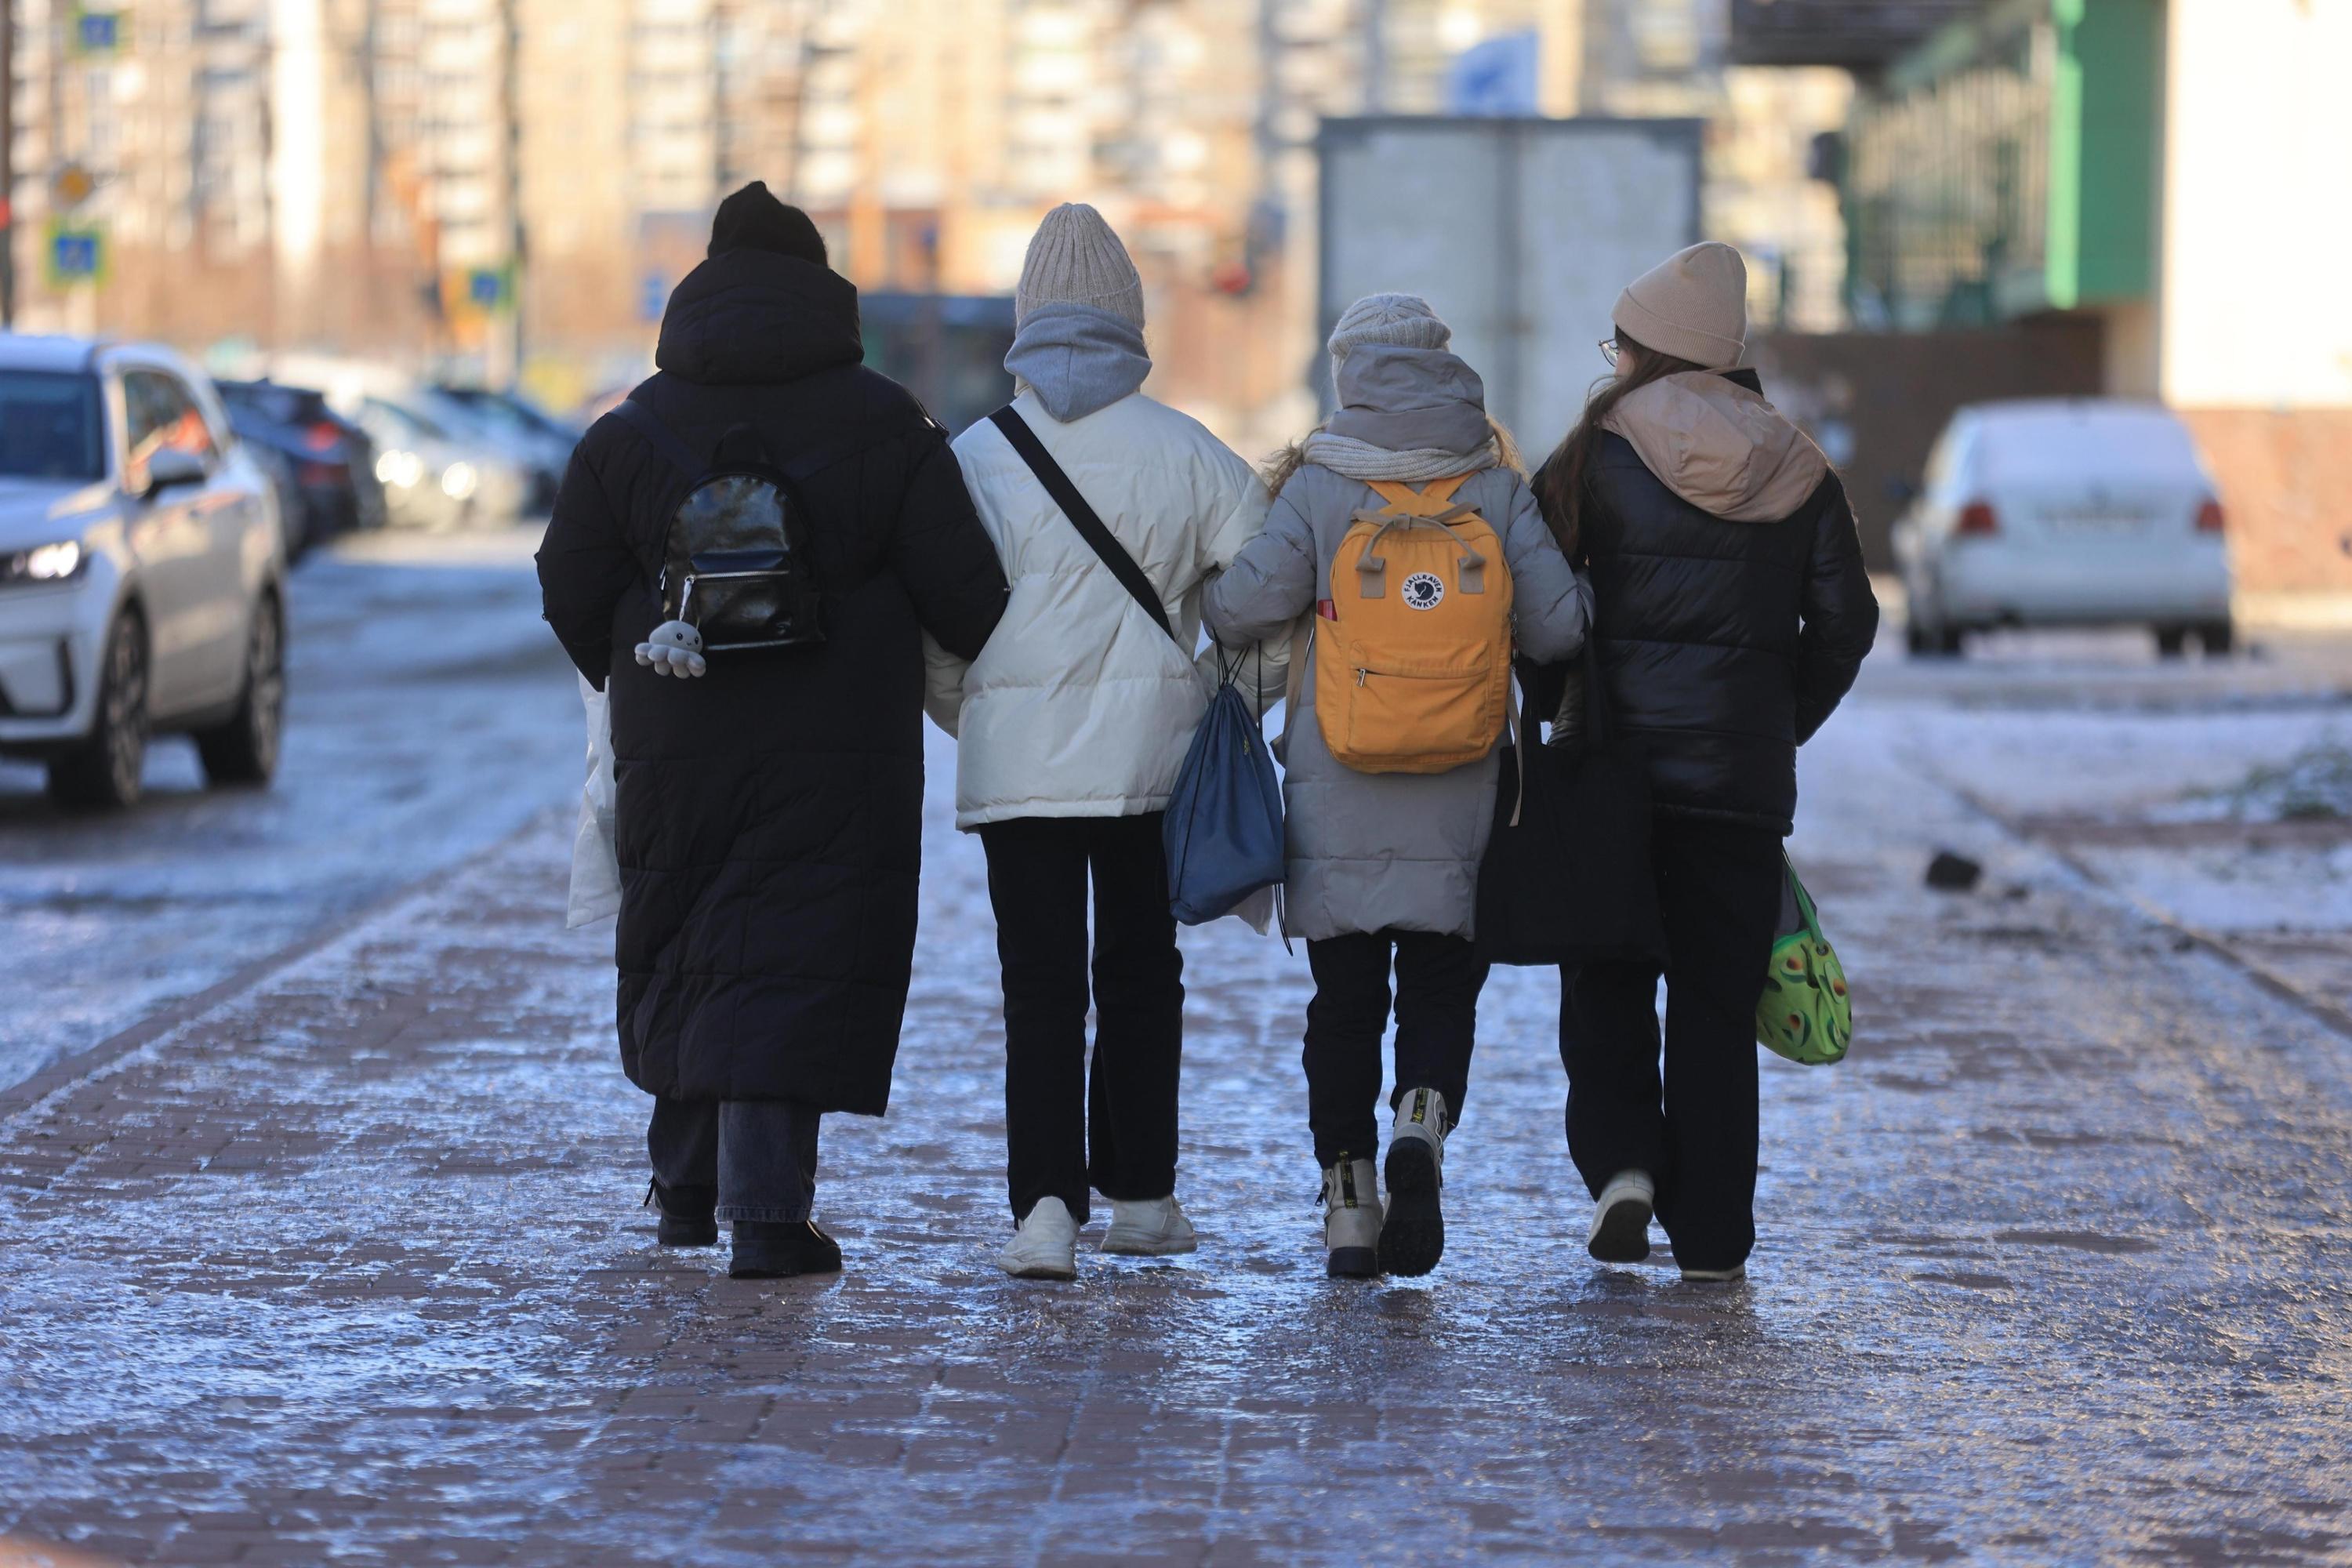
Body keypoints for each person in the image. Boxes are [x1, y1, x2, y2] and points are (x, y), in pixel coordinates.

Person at [536, 182, 1008, 1280]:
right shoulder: (886, 421)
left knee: (687, 927)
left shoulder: (631, 430)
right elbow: (969, 599)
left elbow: (567, 580)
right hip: (836, 741)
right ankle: (768, 1216)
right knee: (796, 942)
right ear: (820, 290)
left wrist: (646, 647)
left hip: (676, 718)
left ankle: (686, 1190)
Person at [926, 204, 1281, 1282]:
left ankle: (1042, 1212)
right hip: (1152, 764)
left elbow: (937, 631)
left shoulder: (975, 458)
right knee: (1141, 973)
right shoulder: (1189, 452)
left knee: (1037, 988)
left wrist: (980, 716)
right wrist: (1226, 701)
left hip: (1019, 769)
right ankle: (1142, 1197)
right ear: (1131, 321)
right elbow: (1273, 597)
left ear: (1027, 324)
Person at [1203, 295, 1588, 1279]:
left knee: (1341, 1001)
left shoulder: (1321, 485)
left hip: (1340, 772)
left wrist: (1210, 586)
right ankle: (1421, 1114)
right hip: (1461, 777)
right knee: (1438, 981)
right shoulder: (1495, 483)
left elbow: (1246, 606)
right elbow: (1557, 632)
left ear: (1350, 374)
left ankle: (1348, 1204)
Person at [1530, 241, 1878, 1285]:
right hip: (1737, 789)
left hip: (1612, 778)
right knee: (1719, 1013)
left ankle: (1626, 1168)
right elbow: (1849, 622)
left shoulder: (1593, 453)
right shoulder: (1800, 466)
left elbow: (1537, 610)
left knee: (1607, 986)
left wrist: (1557, 714)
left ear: (1643, 352)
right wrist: (1775, 722)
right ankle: (1716, 1234)